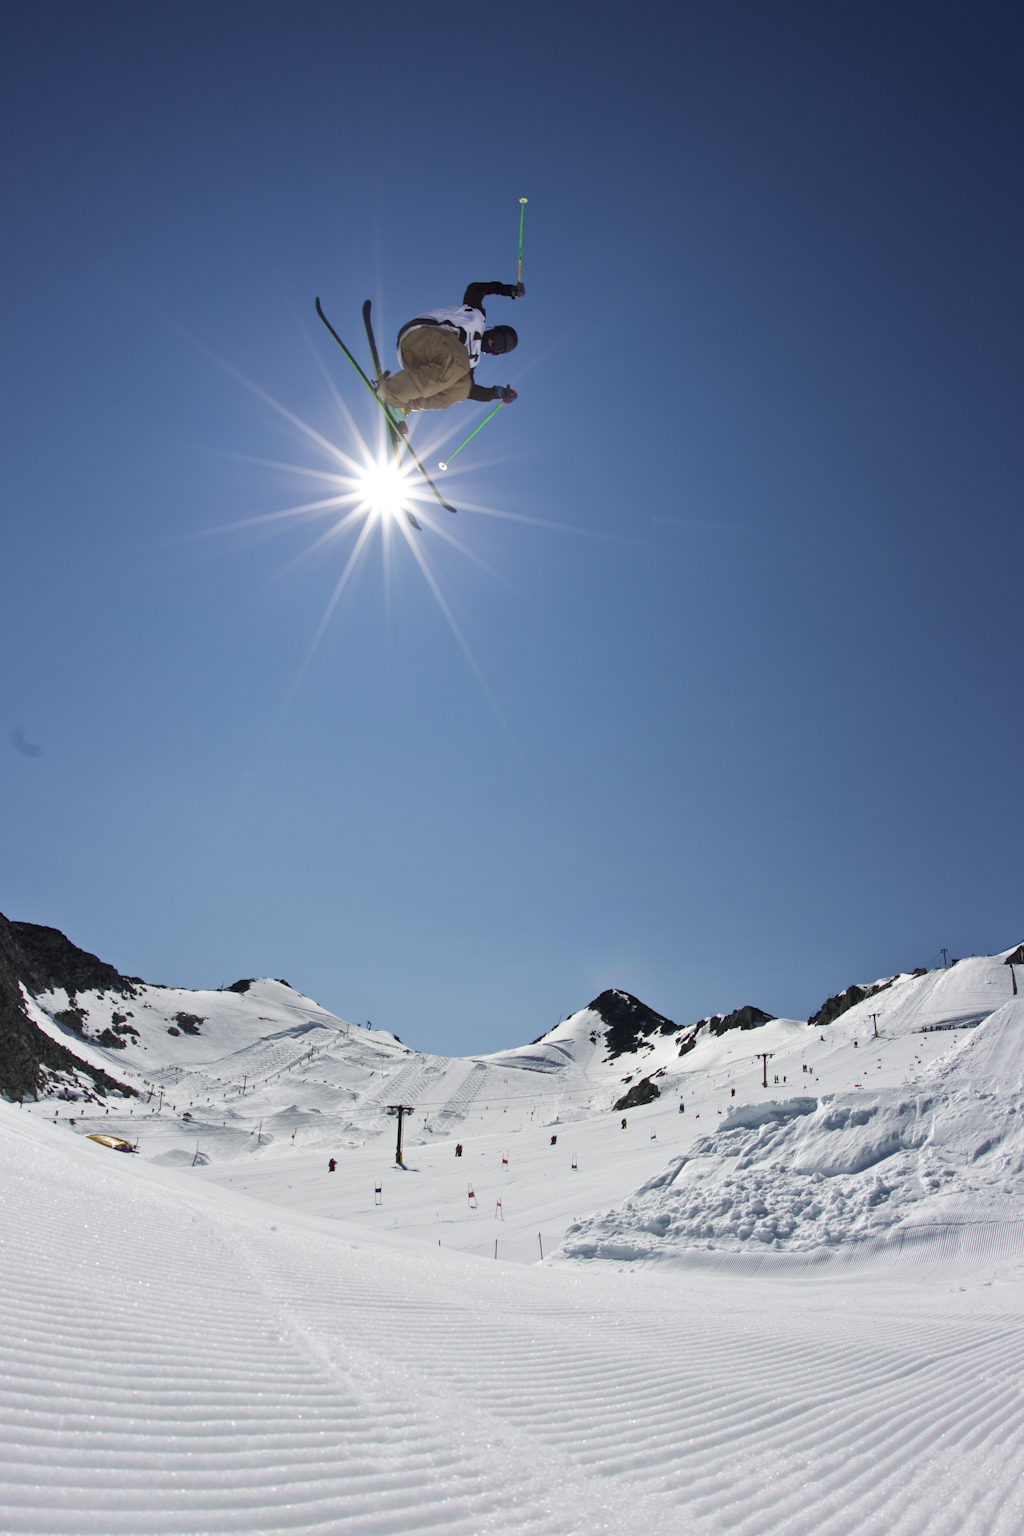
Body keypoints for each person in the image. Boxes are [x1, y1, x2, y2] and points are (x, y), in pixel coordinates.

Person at [377, 280, 524, 418]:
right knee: (460, 362)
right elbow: (477, 288)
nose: (492, 342)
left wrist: (497, 392)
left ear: (494, 352)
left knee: (462, 388)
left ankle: (402, 407)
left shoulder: (472, 360)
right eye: (497, 338)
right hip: (419, 337)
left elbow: (471, 391)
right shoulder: (476, 315)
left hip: (419, 363)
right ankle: (390, 393)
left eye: (497, 346)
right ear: (493, 330)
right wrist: (508, 290)